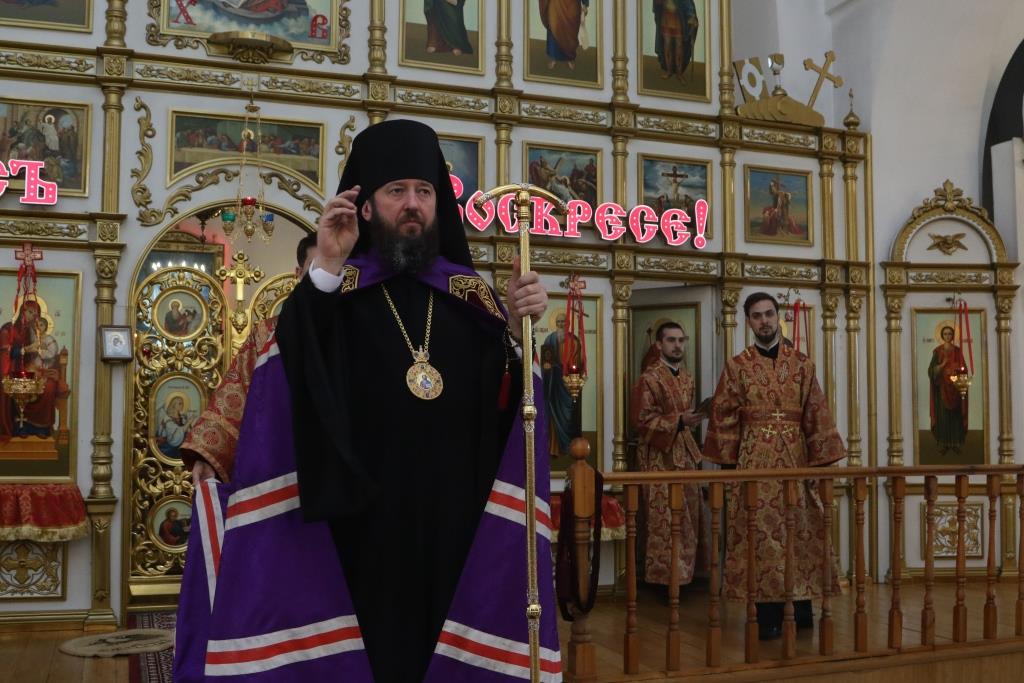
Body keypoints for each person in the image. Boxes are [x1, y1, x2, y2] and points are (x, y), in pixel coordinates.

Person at [175, 119, 560, 683]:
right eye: (396, 191)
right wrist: (326, 267)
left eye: (424, 191)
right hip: (359, 528)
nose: (412, 204)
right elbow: (288, 365)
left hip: (452, 525)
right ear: (366, 204)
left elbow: (509, 407)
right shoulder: (334, 295)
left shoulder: (471, 301)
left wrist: (519, 330)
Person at [703, 292, 845, 640]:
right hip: (755, 464)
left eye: (768, 314)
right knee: (761, 537)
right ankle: (767, 615)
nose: (764, 321)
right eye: (757, 316)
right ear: (748, 321)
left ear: (777, 317)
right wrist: (729, 468)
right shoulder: (737, 366)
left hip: (796, 462)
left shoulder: (802, 364)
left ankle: (802, 608)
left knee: (800, 533)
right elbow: (723, 415)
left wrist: (820, 463)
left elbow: (816, 411)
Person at [635, 322, 706, 591]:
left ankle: (686, 576)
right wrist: (679, 421)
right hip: (659, 458)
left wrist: (692, 419)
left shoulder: (687, 377)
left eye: (681, 340)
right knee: (664, 518)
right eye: (671, 340)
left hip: (685, 454)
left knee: (689, 515)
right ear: (659, 345)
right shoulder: (649, 378)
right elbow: (642, 420)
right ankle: (663, 580)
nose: (677, 345)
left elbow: (684, 416)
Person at [541, 310, 583, 458]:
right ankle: (553, 449)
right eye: (558, 322)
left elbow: (578, 363)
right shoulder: (549, 339)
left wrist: (571, 368)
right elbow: (545, 361)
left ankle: (569, 447)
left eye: (563, 322)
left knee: (569, 415)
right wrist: (547, 368)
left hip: (567, 383)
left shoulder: (574, 341)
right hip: (553, 383)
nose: (560, 324)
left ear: (568, 324)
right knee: (553, 413)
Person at [927, 325, 968, 455]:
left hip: (955, 389)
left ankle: (955, 444)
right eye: (945, 334)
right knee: (943, 417)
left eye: (950, 334)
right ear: (942, 336)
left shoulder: (957, 351)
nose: (947, 336)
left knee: (955, 417)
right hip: (942, 390)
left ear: (952, 335)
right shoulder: (937, 351)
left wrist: (958, 371)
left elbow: (964, 370)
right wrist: (942, 365)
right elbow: (931, 371)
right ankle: (944, 444)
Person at [653, 0, 699, 82]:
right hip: (666, 18)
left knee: (679, 48)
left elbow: (688, 3)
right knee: (667, 46)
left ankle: (679, 73)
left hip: (678, 19)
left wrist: (691, 15)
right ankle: (669, 71)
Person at [539, 0, 589, 70]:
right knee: (554, 27)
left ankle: (570, 58)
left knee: (571, 32)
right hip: (555, 4)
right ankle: (553, 57)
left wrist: (585, 4)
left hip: (572, 5)